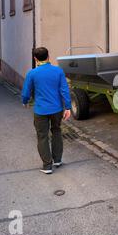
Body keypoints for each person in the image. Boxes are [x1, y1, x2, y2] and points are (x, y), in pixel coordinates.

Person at [22, 47, 72, 175]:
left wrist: (25, 101)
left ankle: (47, 165)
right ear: (48, 56)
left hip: (41, 110)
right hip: (57, 109)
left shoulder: (32, 73)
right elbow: (64, 90)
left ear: (35, 59)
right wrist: (68, 107)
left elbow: (26, 92)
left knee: (42, 136)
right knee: (56, 131)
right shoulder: (58, 71)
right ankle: (57, 160)